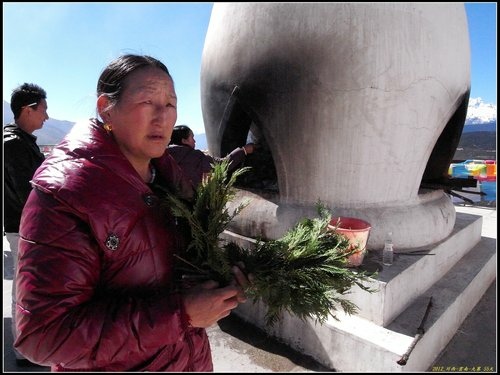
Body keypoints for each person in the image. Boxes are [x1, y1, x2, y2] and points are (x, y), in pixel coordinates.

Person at [15, 54, 249, 372]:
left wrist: (220, 279)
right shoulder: (65, 194)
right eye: (146, 102)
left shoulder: (170, 181)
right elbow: (43, 336)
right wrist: (181, 315)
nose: (162, 117)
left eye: (170, 104)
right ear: (105, 107)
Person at [4, 82, 49, 365]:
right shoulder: (14, 145)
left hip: (24, 226)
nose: (46, 116)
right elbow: (28, 192)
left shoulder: (20, 142)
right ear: (27, 110)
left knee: (28, 287)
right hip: (24, 228)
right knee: (26, 289)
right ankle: (24, 350)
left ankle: (28, 347)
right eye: (43, 110)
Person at [168, 124, 255, 188]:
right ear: (184, 141)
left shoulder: (162, 157)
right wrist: (244, 150)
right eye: (192, 137)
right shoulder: (195, 157)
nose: (194, 141)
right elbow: (223, 164)